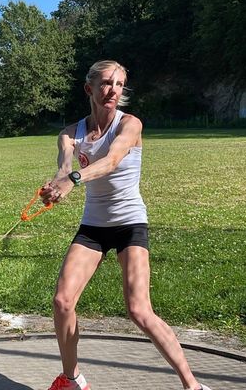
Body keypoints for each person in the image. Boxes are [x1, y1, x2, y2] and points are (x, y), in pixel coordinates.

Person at [40, 60, 212, 390]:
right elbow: (63, 168)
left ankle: (193, 385)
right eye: (105, 83)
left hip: (130, 222)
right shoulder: (70, 133)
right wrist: (55, 186)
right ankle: (72, 378)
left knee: (139, 310)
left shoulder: (130, 124)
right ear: (89, 88)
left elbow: (112, 160)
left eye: (119, 84)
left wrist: (74, 179)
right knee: (62, 302)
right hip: (94, 225)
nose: (113, 91)